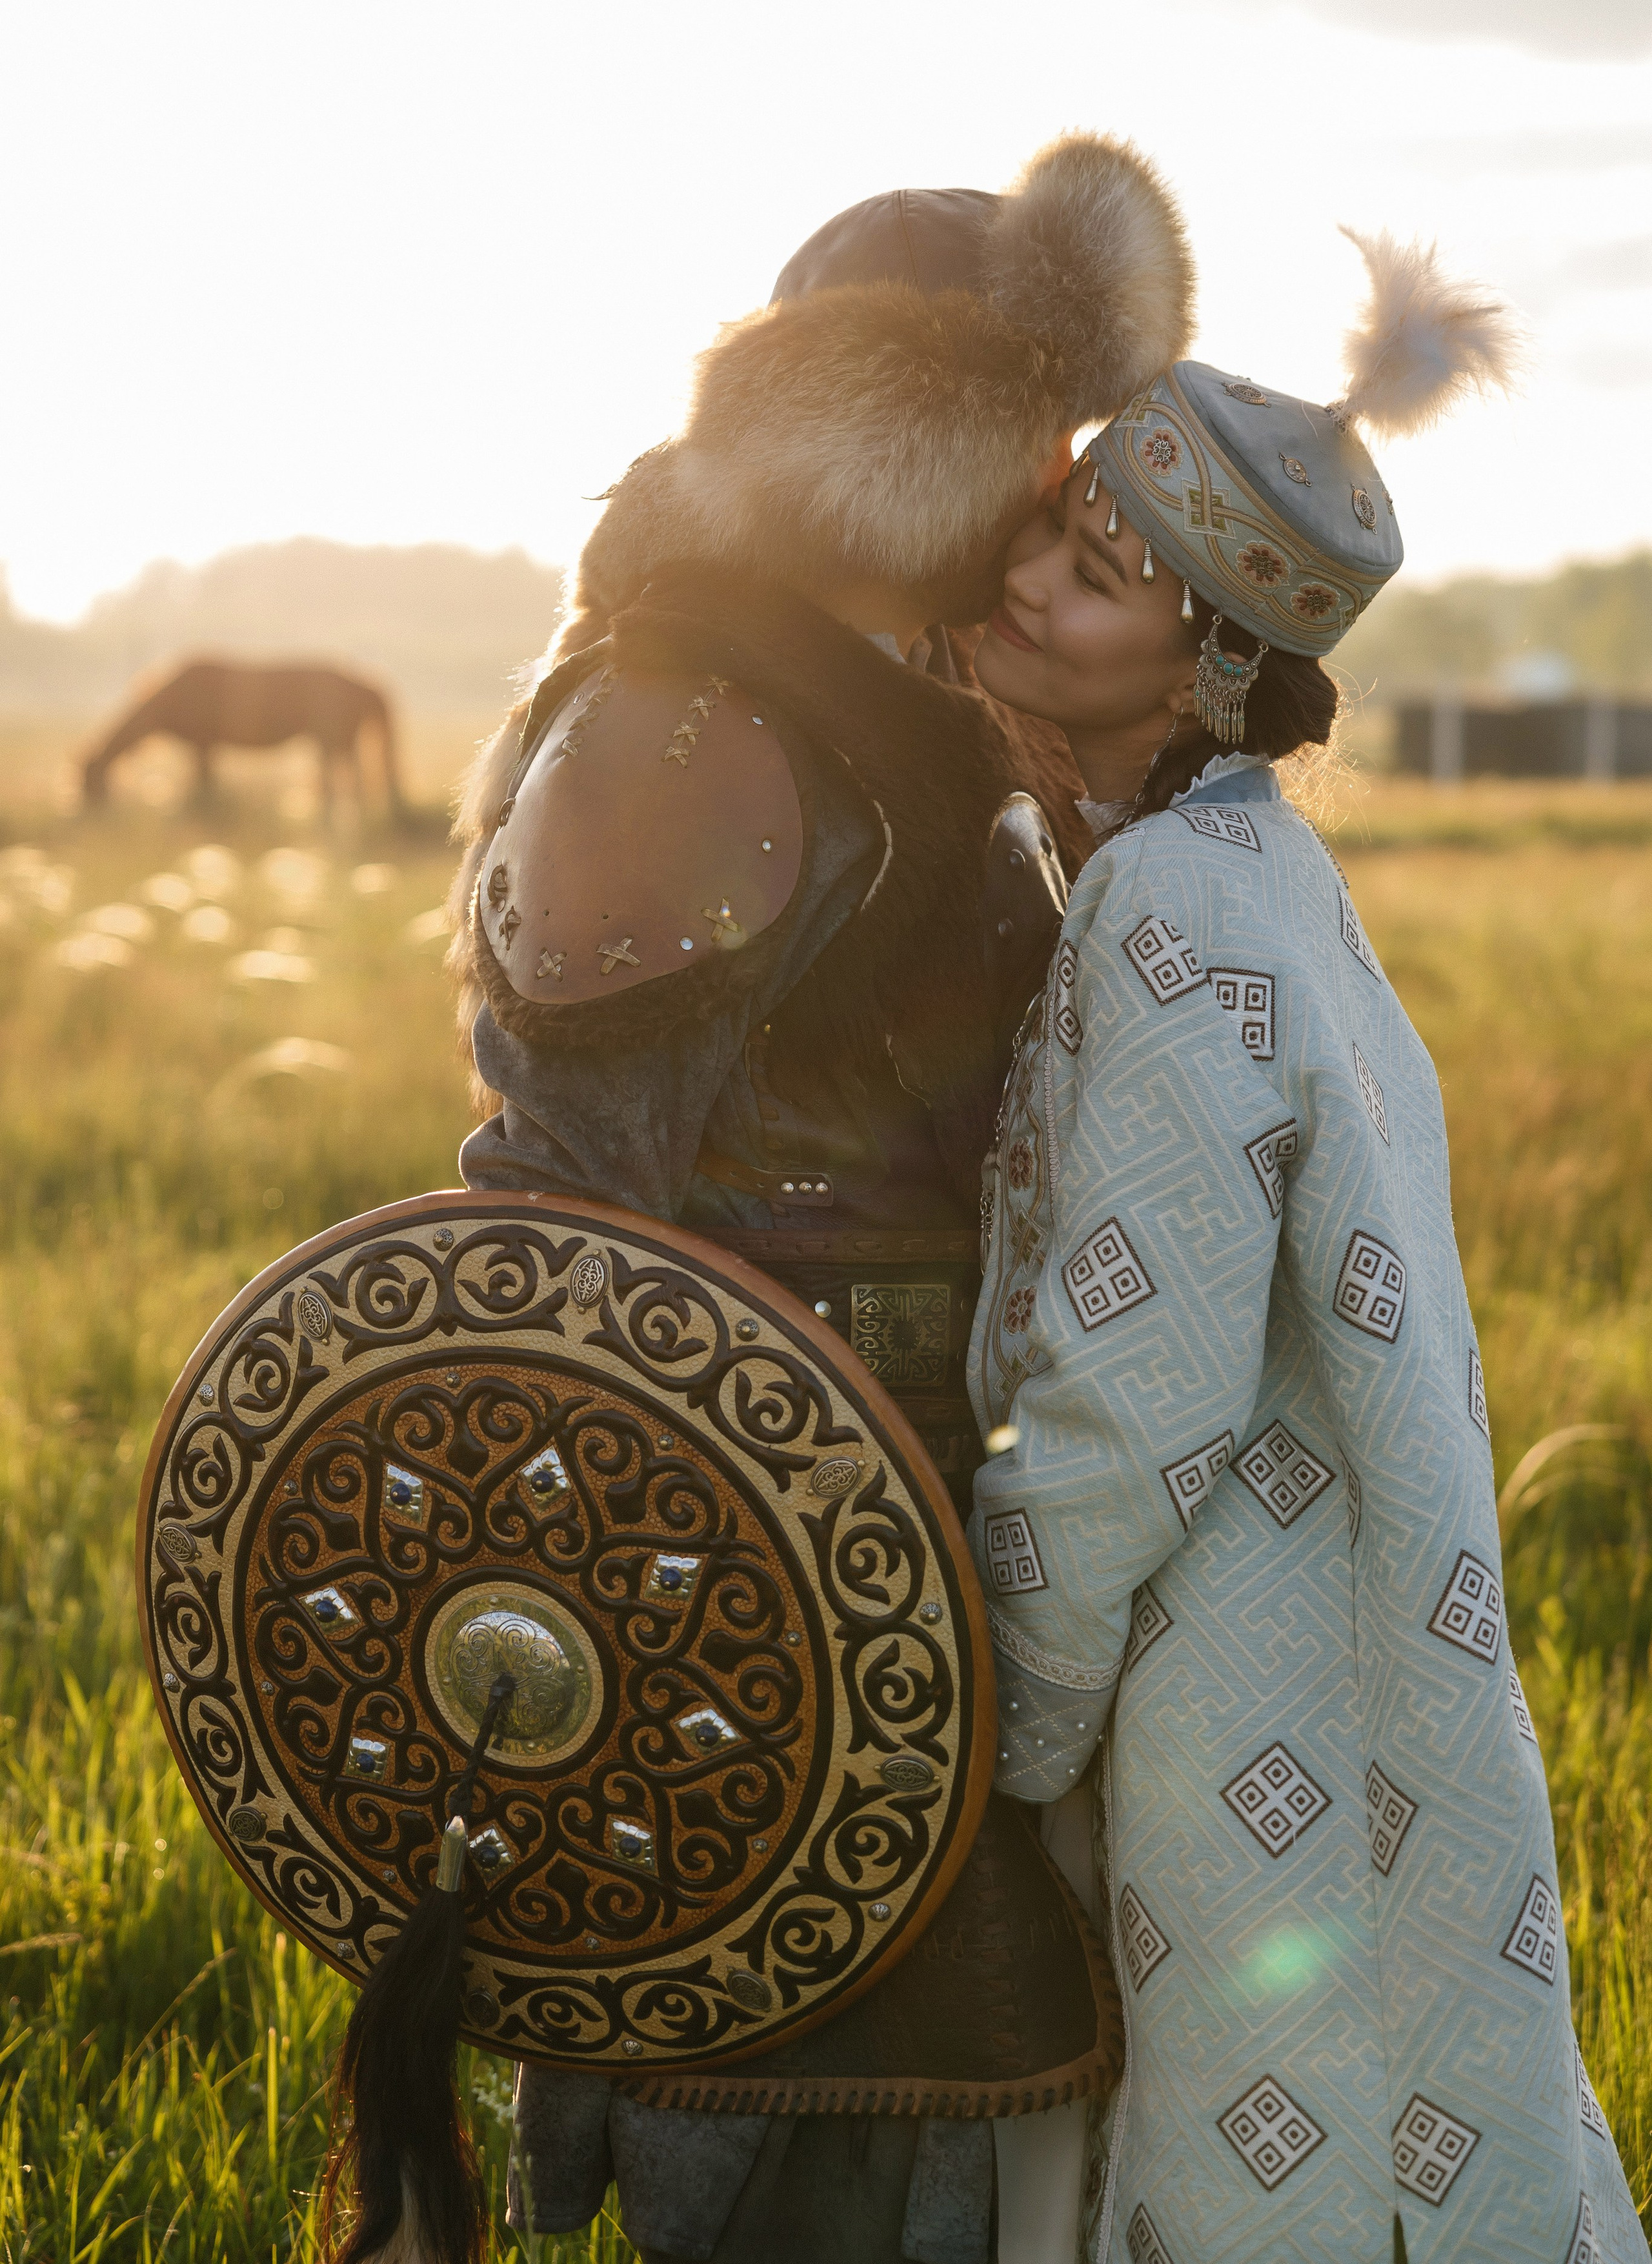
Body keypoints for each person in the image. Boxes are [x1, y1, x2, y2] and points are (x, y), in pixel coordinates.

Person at [448, 132, 1196, 2264]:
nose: (1060, 503)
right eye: (1032, 452)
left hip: (957, 1527)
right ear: (916, 440)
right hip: (763, 1563)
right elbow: (559, 1242)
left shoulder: (919, 706)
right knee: (817, 2164)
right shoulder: (693, 725)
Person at [965, 236, 1650, 2261]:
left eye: (1092, 577)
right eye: (1061, 528)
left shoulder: (1177, 912)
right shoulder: (1248, 870)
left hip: (1235, 1686)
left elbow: (1137, 1390)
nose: (1024, 578)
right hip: (1326, 1642)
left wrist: (986, 1717)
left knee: (1280, 2163)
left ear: (1209, 672)